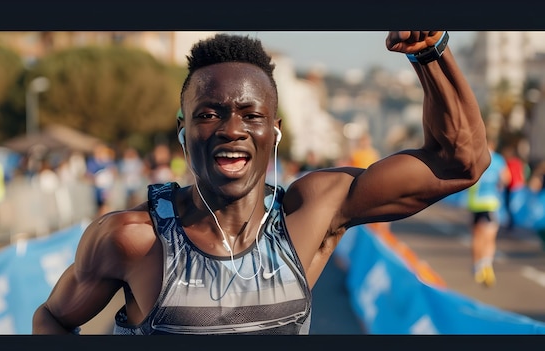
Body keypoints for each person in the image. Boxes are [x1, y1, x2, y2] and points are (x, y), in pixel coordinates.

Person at [33, 31, 490, 335]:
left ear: (274, 130)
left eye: (251, 115)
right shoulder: (131, 239)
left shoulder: (311, 214)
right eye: (208, 114)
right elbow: (52, 318)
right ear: (182, 128)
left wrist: (431, 51)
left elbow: (459, 163)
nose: (232, 129)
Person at [466, 139, 511, 287]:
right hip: (491, 202)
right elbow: (506, 178)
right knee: (490, 236)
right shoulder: (498, 160)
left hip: (475, 202)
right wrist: (498, 185)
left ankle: (477, 266)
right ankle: (486, 263)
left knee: (477, 235)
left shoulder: (475, 159)